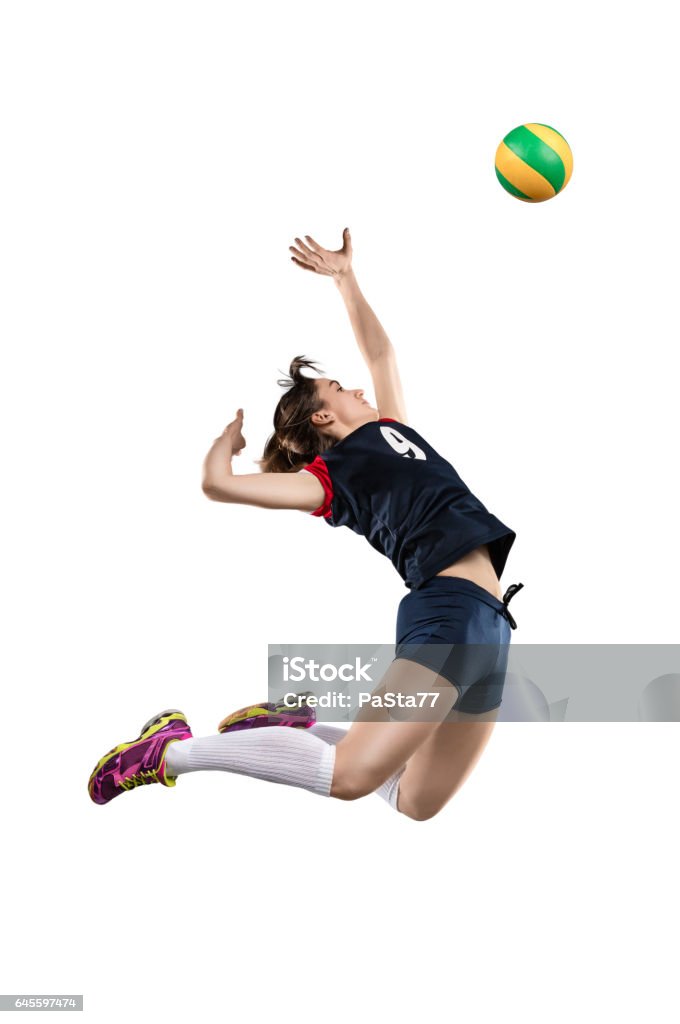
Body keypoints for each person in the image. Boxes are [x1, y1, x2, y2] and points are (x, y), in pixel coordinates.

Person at [87, 228, 523, 821]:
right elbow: (220, 486)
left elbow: (382, 355)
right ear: (323, 414)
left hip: (492, 624)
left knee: (416, 799)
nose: (357, 387)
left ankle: (288, 727)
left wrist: (345, 279)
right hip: (450, 611)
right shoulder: (331, 479)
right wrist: (225, 444)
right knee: (349, 778)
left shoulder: (392, 431)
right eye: (339, 388)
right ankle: (171, 753)